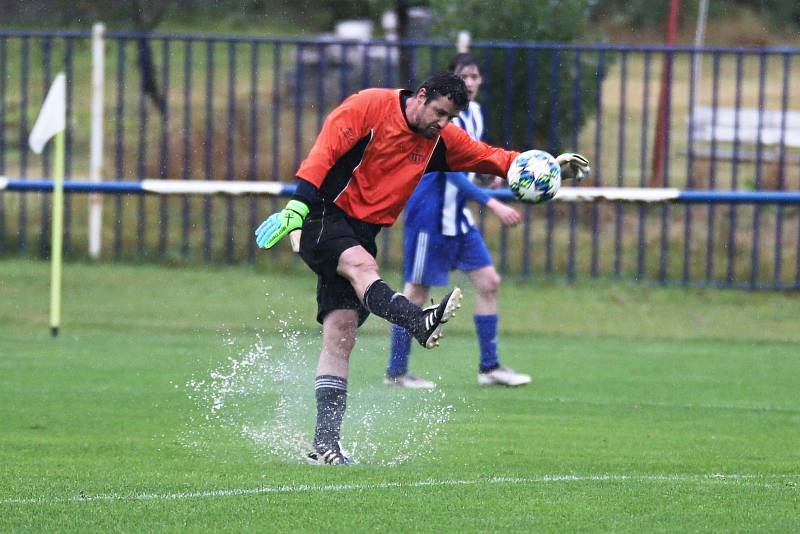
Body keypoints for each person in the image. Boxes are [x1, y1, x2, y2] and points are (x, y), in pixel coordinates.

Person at [255, 72, 530, 465]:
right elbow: (323, 152)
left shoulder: (439, 139)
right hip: (322, 213)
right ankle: (419, 321)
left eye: (449, 117)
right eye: (438, 112)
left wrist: (542, 166)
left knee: (341, 333)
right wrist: (297, 207)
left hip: (364, 231)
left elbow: (491, 157)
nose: (442, 123)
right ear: (420, 97)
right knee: (361, 266)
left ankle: (325, 445)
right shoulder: (368, 106)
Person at [384, 53, 531, 389]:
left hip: (458, 219)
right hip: (430, 217)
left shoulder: (473, 114)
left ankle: (490, 367)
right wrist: (491, 201)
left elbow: (468, 162)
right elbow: (449, 173)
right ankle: (396, 372)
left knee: (489, 282)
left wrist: (487, 177)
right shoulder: (441, 119)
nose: (471, 82)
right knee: (417, 292)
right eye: (463, 76)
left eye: (475, 76)